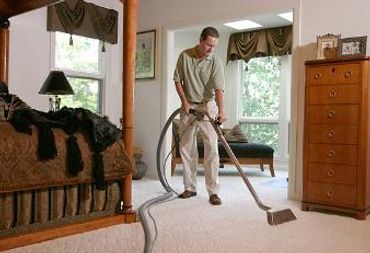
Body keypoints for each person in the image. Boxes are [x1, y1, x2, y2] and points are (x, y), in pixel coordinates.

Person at [173, 27, 226, 205]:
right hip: (188, 106)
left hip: (207, 105)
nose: (211, 49)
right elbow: (177, 80)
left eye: (214, 46)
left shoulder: (215, 61)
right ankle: (190, 188)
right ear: (201, 40)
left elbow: (218, 89)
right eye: (208, 45)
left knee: (212, 148)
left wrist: (221, 110)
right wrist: (184, 102)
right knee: (187, 147)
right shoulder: (185, 56)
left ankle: (213, 192)